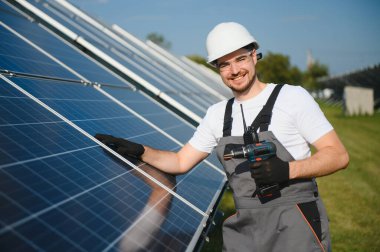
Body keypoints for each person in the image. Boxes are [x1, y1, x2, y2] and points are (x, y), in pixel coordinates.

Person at [95, 22, 349, 251]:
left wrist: (288, 170)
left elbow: (337, 155)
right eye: (224, 64)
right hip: (245, 230)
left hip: (295, 223)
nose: (234, 70)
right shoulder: (217, 115)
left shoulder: (292, 97)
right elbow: (180, 162)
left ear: (254, 56)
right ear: (217, 68)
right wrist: (141, 151)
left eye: (240, 59)